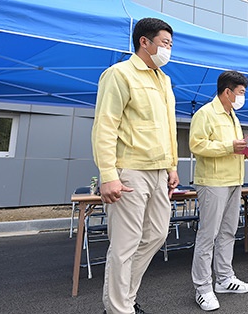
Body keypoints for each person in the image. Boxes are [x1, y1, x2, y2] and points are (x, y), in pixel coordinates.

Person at [91, 18, 180, 314]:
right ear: (145, 41)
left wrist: (172, 166)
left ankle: (124, 298)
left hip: (159, 170)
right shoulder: (120, 74)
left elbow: (168, 128)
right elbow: (105, 127)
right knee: (125, 244)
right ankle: (118, 308)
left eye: (170, 45)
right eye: (165, 43)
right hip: (129, 170)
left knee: (157, 234)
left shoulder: (164, 79)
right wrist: (108, 176)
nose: (168, 49)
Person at [189, 70, 248, 311]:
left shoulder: (233, 117)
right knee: (208, 235)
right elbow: (196, 145)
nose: (243, 97)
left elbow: (231, 148)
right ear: (227, 92)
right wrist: (230, 146)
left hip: (234, 180)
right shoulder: (206, 113)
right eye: (241, 92)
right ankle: (203, 287)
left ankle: (225, 278)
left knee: (228, 231)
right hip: (213, 181)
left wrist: (245, 151)